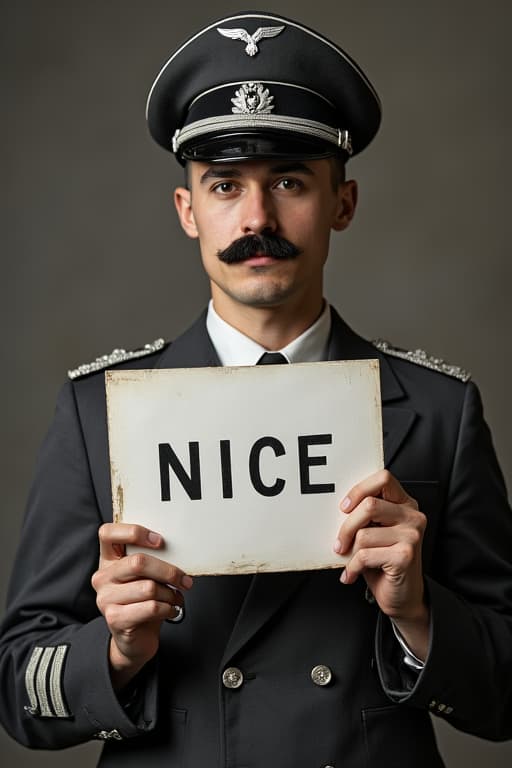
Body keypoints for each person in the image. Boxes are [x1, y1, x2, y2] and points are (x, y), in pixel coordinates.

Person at [1, 9, 511, 767]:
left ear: (343, 203)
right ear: (188, 211)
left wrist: (419, 617)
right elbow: (19, 689)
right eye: (224, 185)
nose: (257, 218)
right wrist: (113, 650)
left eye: (291, 181)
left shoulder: (439, 410)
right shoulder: (98, 411)